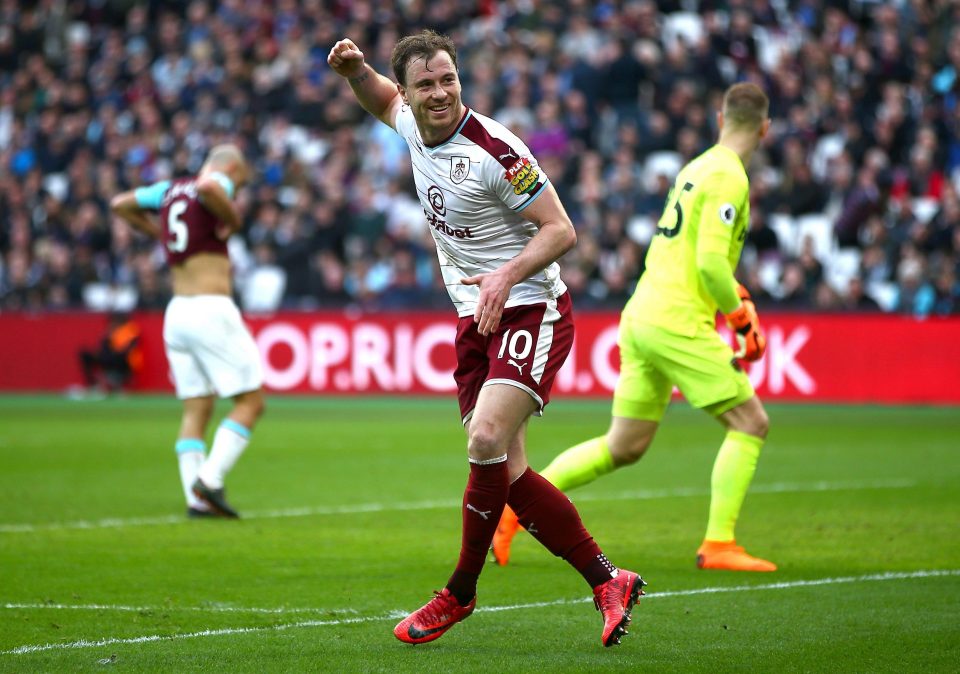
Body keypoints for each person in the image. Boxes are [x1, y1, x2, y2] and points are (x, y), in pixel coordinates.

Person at [328, 30, 644, 647]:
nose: (441, 93)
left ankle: (459, 592)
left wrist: (505, 273)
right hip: (476, 316)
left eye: (449, 79)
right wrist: (354, 72)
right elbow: (381, 100)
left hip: (531, 306)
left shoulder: (495, 151)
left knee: (486, 437)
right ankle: (610, 580)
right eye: (427, 84)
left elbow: (561, 230)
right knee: (510, 474)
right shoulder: (412, 124)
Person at [493, 82, 778, 573]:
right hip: (676, 320)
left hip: (642, 312)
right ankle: (719, 543)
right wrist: (739, 316)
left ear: (719, 118)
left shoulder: (698, 166)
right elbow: (711, 263)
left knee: (623, 445)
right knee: (751, 423)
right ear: (765, 128)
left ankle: (513, 512)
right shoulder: (730, 176)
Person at [110, 144, 265, 519]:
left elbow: (120, 204)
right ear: (230, 167)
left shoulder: (167, 190)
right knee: (251, 402)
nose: (236, 190)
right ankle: (208, 481)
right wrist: (234, 220)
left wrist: (155, 232)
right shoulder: (214, 180)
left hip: (176, 313)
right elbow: (212, 188)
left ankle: (197, 502)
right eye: (239, 183)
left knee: (197, 408)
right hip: (210, 308)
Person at [77, 311, 143, 394]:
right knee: (85, 354)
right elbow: (104, 347)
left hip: (125, 362)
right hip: (111, 358)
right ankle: (93, 385)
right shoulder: (111, 330)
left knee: (111, 356)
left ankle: (110, 381)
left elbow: (128, 350)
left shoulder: (131, 329)